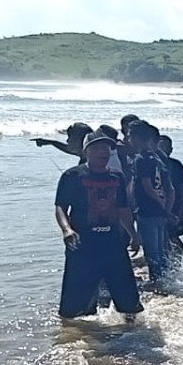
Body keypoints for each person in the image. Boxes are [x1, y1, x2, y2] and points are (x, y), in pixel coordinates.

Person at [54, 129, 143, 321]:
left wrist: (134, 235)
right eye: (97, 148)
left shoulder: (117, 177)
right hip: (82, 245)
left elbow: (123, 209)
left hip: (113, 243)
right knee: (73, 304)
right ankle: (74, 336)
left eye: (106, 148)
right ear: (86, 151)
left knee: (128, 297)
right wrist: (67, 230)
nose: (103, 152)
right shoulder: (72, 176)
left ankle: (134, 334)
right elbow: (61, 207)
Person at [130, 120, 174, 282]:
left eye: (130, 135)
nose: (128, 139)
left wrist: (161, 206)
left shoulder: (140, 159)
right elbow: (170, 189)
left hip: (147, 211)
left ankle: (159, 285)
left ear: (137, 137)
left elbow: (147, 187)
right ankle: (166, 282)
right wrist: (167, 210)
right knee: (161, 253)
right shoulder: (159, 158)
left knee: (152, 255)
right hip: (161, 214)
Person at [157, 135, 183, 261]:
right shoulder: (153, 165)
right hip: (158, 206)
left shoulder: (176, 165)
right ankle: (167, 261)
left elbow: (182, 189)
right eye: (160, 146)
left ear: (171, 149)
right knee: (161, 237)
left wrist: (181, 209)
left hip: (176, 207)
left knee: (174, 236)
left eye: (166, 147)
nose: (163, 149)